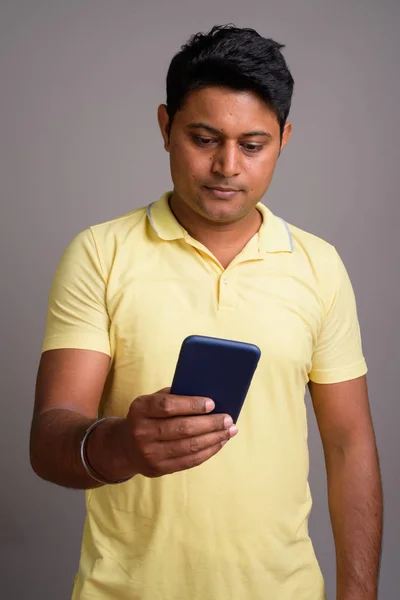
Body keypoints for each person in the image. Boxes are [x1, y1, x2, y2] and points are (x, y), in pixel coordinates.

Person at [30, 25, 383, 600]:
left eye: (253, 144)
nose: (227, 166)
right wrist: (123, 446)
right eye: (204, 138)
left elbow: (349, 444)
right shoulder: (100, 253)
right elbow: (49, 439)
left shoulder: (321, 266)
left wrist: (360, 594)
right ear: (166, 127)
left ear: (284, 139)